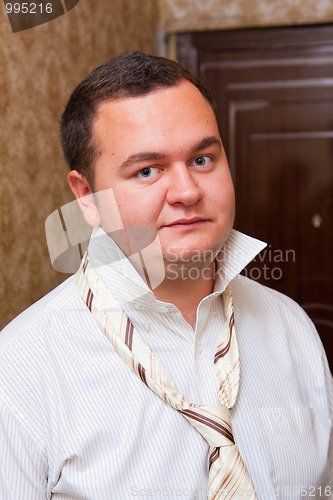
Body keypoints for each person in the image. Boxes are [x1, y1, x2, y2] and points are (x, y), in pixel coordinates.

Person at [0, 51, 332, 500]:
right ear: (87, 196)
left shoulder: (292, 327)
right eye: (148, 170)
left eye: (201, 159)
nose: (187, 192)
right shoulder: (19, 370)